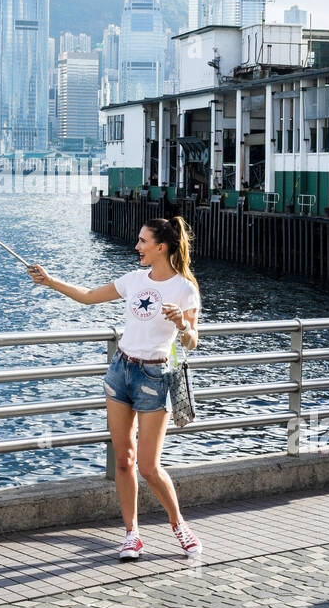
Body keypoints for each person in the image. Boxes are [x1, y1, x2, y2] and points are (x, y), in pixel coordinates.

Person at [28, 217, 203, 561]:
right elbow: (89, 297)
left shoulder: (184, 289)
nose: (136, 247)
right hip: (120, 371)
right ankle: (132, 535)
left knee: (150, 467)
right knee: (124, 460)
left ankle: (179, 525)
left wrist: (182, 322)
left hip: (154, 378)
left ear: (161, 247)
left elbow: (192, 342)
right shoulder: (134, 279)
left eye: (142, 242)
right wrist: (49, 281)